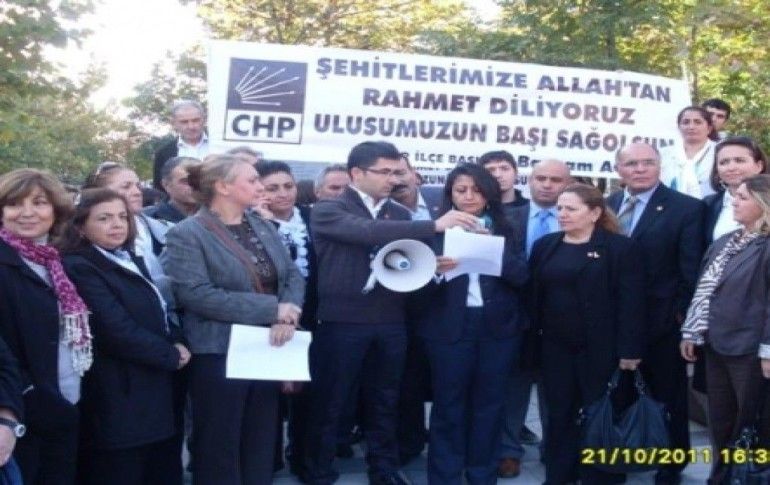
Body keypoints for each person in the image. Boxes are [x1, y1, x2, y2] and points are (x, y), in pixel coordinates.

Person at [305, 141, 481, 485]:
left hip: (390, 319)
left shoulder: (399, 214)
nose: (394, 179)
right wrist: (433, 226)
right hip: (342, 320)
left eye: (397, 172)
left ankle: (384, 468)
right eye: (385, 172)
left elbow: (407, 259)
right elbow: (366, 231)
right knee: (332, 399)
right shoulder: (328, 209)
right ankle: (317, 469)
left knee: (385, 399)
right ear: (357, 173)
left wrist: (431, 266)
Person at [163, 155, 305, 484]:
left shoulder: (261, 224)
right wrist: (272, 309)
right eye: (252, 180)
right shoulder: (187, 233)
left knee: (261, 437)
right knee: (220, 442)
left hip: (267, 344)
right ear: (223, 187)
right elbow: (195, 294)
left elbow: (291, 275)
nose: (260, 187)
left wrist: (287, 315)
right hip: (219, 350)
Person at [60, 188, 189, 485]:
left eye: (122, 217)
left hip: (149, 386)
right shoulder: (80, 265)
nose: (117, 225)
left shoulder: (127, 257)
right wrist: (170, 354)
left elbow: (158, 308)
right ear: (80, 227)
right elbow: (114, 329)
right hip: (117, 389)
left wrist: (177, 338)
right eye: (104, 218)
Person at [416, 163, 528, 484]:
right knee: (448, 404)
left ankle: (482, 474)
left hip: (498, 329)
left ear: (489, 194)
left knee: (490, 405)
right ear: (450, 193)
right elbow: (413, 288)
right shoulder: (433, 229)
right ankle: (445, 476)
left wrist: (492, 247)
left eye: (477, 190)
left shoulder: (508, 227)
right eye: (461, 190)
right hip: (448, 327)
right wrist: (435, 272)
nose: (469, 196)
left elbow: (522, 277)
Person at [530, 183, 645, 484]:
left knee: (600, 412)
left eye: (571, 208)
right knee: (559, 413)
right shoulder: (546, 245)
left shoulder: (620, 249)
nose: (562, 214)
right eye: (560, 208)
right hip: (555, 347)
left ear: (594, 213)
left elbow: (632, 302)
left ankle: (600, 476)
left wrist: (629, 349)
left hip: (601, 349)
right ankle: (560, 474)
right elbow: (534, 296)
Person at [607, 142, 705, 484]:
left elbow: (690, 269)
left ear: (659, 166)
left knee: (667, 396)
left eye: (647, 162)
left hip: (662, 322)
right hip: (614, 320)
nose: (640, 169)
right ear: (618, 169)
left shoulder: (686, 208)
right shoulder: (606, 205)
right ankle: (625, 454)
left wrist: (681, 319)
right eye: (631, 163)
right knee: (621, 392)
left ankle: (671, 462)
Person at [0, 168, 92, 484]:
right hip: (24, 412)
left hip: (66, 403)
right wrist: (31, 397)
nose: (27, 213)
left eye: (39, 203)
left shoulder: (53, 261)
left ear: (55, 209)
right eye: (14, 204)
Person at [680, 174, 770, 485]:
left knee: (754, 423)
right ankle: (721, 478)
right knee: (721, 422)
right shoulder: (726, 241)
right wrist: (692, 331)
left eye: (743, 197)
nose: (734, 201)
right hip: (716, 345)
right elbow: (704, 289)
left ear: (764, 203)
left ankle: (750, 477)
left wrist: (768, 350)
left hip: (751, 351)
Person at [497, 159, 571, 478]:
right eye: (541, 178)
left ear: (567, 184)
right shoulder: (506, 217)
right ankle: (508, 451)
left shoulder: (577, 217)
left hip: (562, 318)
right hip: (514, 316)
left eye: (555, 179)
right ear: (529, 180)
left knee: (556, 389)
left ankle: (554, 449)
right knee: (513, 388)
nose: (547, 185)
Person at [255, 160, 318, 479]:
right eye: (273, 188)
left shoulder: (312, 217)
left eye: (288, 186)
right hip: (268, 316)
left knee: (308, 395)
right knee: (269, 396)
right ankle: (267, 460)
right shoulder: (250, 223)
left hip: (313, 316)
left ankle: (303, 457)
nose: (283, 194)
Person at [703, 136, 769, 244]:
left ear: (759, 166)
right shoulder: (708, 204)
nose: (731, 167)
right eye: (724, 162)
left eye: (739, 160)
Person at [660, 106, 717, 199]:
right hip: (669, 204)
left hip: (709, 206)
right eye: (686, 122)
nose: (691, 127)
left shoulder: (720, 152)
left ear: (709, 128)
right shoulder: (663, 154)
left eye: (697, 122)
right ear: (679, 127)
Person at [153, 100, 209, 190]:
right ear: (174, 123)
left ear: (204, 119)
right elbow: (160, 188)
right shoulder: (163, 153)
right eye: (184, 122)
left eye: (195, 120)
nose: (191, 126)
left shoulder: (220, 144)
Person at [144, 156, 199, 224]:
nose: (194, 185)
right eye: (185, 181)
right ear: (166, 185)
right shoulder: (148, 220)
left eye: (199, 180)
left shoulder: (211, 214)